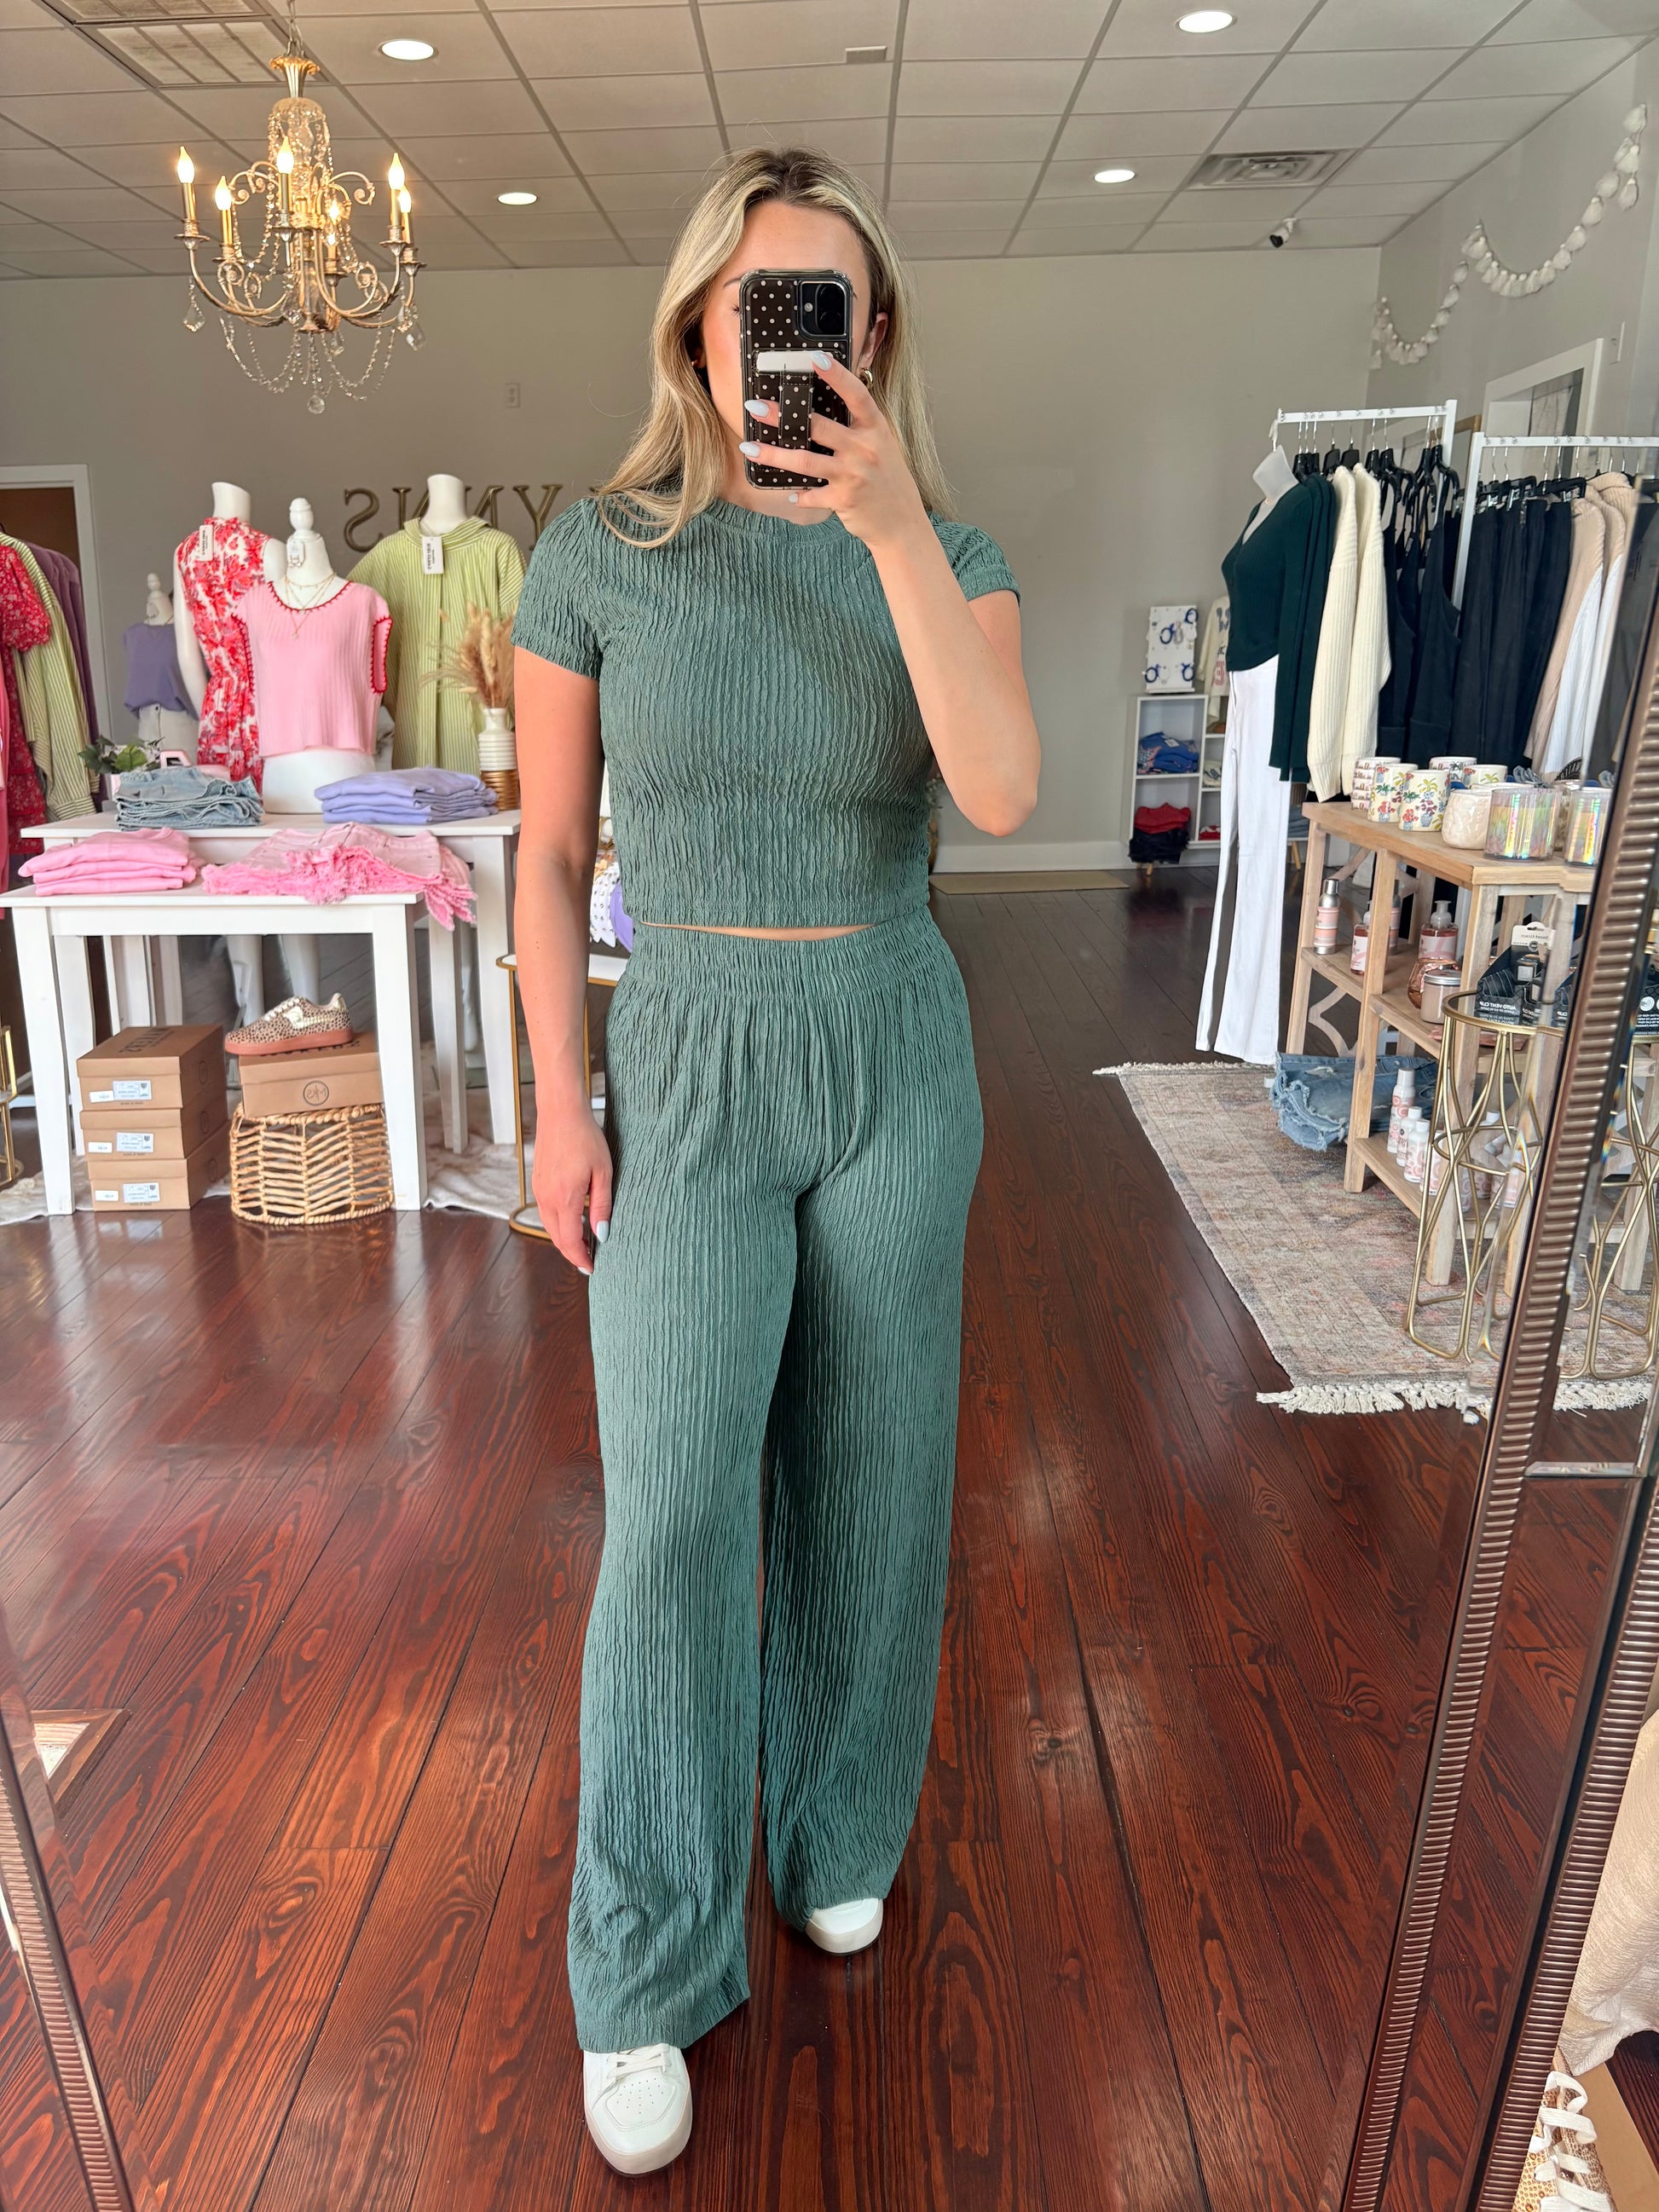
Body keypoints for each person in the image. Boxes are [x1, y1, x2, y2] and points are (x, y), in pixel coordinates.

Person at [512, 143, 1040, 2176]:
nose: (789, 339)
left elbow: (999, 786)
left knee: (876, 1471)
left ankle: (835, 1827)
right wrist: (559, 1100)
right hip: (691, 1050)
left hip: (893, 1035)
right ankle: (643, 1958)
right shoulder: (595, 552)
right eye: (758, 303)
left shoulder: (951, 545)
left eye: (830, 305)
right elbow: (551, 854)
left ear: (874, 337)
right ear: (698, 327)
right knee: (670, 1509)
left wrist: (888, 520)